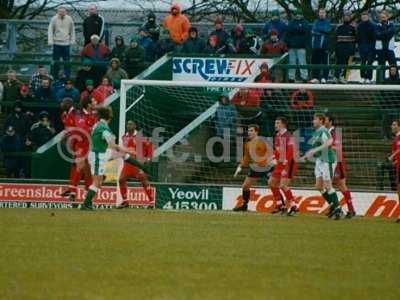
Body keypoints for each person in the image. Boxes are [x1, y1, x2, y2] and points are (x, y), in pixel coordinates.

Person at [81, 106, 149, 210]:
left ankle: (142, 167)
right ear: (109, 116)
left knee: (122, 155)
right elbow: (113, 145)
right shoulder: (104, 128)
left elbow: (107, 144)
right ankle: (86, 204)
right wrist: (128, 150)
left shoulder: (98, 125)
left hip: (102, 151)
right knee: (97, 183)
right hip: (98, 155)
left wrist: (123, 151)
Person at [301, 113, 343, 220]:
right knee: (319, 186)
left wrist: (315, 150)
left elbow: (330, 142)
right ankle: (334, 205)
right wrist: (307, 156)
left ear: (321, 121)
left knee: (328, 185)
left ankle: (338, 209)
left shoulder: (323, 130)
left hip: (327, 160)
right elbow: (316, 148)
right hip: (319, 161)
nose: (313, 121)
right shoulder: (317, 132)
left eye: (315, 119)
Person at [60, 97, 96, 201]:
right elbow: (81, 130)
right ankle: (75, 191)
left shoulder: (92, 115)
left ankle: (73, 190)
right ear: (88, 104)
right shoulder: (79, 114)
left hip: (90, 144)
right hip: (81, 143)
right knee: (79, 166)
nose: (95, 103)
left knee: (84, 167)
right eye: (93, 101)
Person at [232, 124, 275, 211]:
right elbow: (246, 157)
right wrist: (240, 166)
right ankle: (244, 205)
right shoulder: (247, 144)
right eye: (248, 131)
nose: (249, 132)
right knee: (245, 186)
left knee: (273, 185)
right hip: (255, 168)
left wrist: (272, 161)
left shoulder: (263, 141)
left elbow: (272, 152)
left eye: (251, 131)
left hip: (266, 167)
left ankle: (281, 205)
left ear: (256, 132)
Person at [118, 120, 155, 208]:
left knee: (143, 180)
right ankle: (125, 201)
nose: (128, 125)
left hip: (137, 163)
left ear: (135, 126)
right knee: (121, 180)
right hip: (128, 164)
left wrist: (148, 158)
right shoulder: (124, 137)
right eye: (127, 124)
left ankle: (152, 202)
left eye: (130, 124)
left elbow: (150, 146)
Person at [325, 114, 356, 218]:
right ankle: (335, 207)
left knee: (341, 185)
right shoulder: (326, 132)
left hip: (338, 162)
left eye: (325, 119)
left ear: (330, 121)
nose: (323, 121)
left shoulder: (335, 132)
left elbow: (337, 148)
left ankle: (350, 210)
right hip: (330, 162)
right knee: (327, 184)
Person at [269, 117, 298, 215]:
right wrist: (273, 157)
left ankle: (294, 206)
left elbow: (291, 151)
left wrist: (285, 162)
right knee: (271, 182)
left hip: (289, 163)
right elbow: (277, 150)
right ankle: (279, 205)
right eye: (275, 123)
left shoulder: (288, 136)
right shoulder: (277, 136)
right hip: (280, 163)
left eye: (277, 123)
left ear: (283, 124)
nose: (275, 125)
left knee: (283, 185)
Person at [48, 6, 75, 78]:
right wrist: (50, 41)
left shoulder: (69, 19)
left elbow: (72, 30)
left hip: (66, 43)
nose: (62, 13)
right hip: (56, 43)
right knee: (55, 61)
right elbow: (50, 30)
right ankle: (54, 76)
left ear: (66, 12)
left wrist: (72, 41)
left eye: (63, 12)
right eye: (60, 12)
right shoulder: (54, 19)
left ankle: (67, 76)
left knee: (67, 61)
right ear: (58, 12)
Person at [286, 9, 309, 82]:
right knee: (291, 62)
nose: (298, 15)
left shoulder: (305, 22)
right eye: (296, 14)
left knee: (302, 62)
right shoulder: (291, 22)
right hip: (292, 46)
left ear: (302, 15)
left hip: (301, 46)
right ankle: (291, 78)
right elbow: (289, 32)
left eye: (299, 14)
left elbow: (305, 31)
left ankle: (304, 77)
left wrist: (296, 30)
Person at [310, 8, 332, 83]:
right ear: (318, 13)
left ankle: (324, 77)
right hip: (316, 45)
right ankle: (315, 77)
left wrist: (319, 31)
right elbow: (313, 29)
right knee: (315, 61)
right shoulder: (315, 21)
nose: (322, 14)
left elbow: (327, 30)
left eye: (323, 12)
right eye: (320, 12)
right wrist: (321, 31)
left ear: (325, 14)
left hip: (325, 45)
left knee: (325, 62)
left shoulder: (327, 22)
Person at [335, 12, 356, 83]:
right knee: (338, 63)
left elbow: (356, 39)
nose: (346, 18)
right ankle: (336, 77)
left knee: (346, 64)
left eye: (348, 16)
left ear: (350, 18)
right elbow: (335, 39)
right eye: (345, 16)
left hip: (348, 49)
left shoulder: (353, 28)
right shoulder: (339, 27)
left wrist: (352, 49)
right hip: (339, 49)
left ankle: (343, 77)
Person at [375, 10, 396, 81]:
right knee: (381, 67)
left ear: (387, 17)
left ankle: (394, 81)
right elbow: (377, 35)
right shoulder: (377, 25)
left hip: (390, 49)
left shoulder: (392, 25)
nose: (382, 18)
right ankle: (380, 82)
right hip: (380, 50)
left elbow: (391, 32)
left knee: (393, 66)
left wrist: (382, 34)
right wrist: (386, 34)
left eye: (384, 17)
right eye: (381, 17)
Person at [357, 11, 376, 84]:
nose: (364, 17)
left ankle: (369, 78)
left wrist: (373, 47)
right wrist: (359, 46)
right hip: (362, 47)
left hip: (371, 47)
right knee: (363, 62)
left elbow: (374, 37)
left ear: (368, 16)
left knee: (369, 62)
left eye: (365, 16)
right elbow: (358, 37)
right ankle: (362, 77)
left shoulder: (373, 25)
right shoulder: (359, 26)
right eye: (362, 16)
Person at [388, 120, 400, 223]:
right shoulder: (395, 138)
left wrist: (392, 156)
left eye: (394, 125)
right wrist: (395, 160)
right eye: (392, 124)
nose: (392, 126)